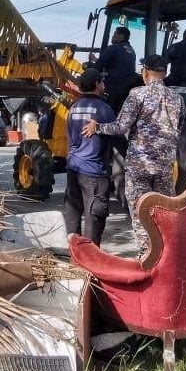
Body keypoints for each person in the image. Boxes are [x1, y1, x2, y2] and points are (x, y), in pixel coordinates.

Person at [82, 54, 185, 254]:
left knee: (141, 212)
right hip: (165, 166)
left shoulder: (137, 94)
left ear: (145, 72)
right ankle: (167, 254)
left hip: (140, 166)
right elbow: (178, 130)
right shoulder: (178, 99)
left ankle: (147, 256)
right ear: (165, 73)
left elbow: (120, 127)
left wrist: (97, 127)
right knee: (165, 211)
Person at [65, 69, 116, 246]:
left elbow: (70, 138)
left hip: (74, 167)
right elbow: (116, 134)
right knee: (94, 216)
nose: (104, 84)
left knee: (73, 211)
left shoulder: (73, 108)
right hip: (94, 171)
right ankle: (90, 257)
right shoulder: (104, 109)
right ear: (97, 84)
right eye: (102, 81)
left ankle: (75, 253)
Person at [94, 27, 138, 113]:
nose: (112, 36)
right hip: (125, 93)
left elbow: (98, 66)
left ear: (121, 36)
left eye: (114, 34)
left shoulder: (113, 48)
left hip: (111, 91)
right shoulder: (131, 51)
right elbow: (118, 64)